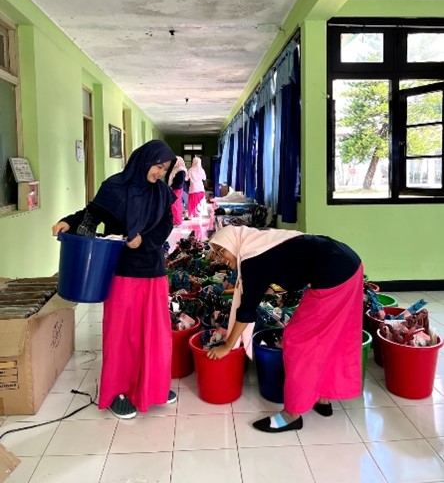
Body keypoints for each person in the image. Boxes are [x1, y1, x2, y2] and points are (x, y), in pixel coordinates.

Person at [52, 140, 177, 419]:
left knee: (154, 332)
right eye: (158, 166)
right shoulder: (115, 187)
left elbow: (167, 223)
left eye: (165, 169)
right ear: (144, 161)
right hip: (122, 271)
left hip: (153, 270)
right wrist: (68, 222)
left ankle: (154, 385)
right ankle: (117, 392)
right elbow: (91, 214)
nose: (160, 173)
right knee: (122, 334)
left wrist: (145, 240)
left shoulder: (161, 192)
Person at [206, 225, 363, 433]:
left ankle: (292, 415)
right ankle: (322, 397)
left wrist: (227, 346)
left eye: (222, 250)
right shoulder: (258, 243)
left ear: (232, 242)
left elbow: (247, 310)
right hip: (348, 264)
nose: (220, 258)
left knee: (297, 339)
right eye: (216, 252)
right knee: (329, 337)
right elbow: (287, 263)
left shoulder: (253, 259)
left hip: (335, 273)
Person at [166, 156, 188, 226]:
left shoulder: (181, 170)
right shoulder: (176, 169)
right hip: (176, 188)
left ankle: (177, 221)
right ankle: (176, 220)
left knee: (175, 205)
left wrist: (173, 185)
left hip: (177, 189)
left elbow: (179, 182)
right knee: (175, 205)